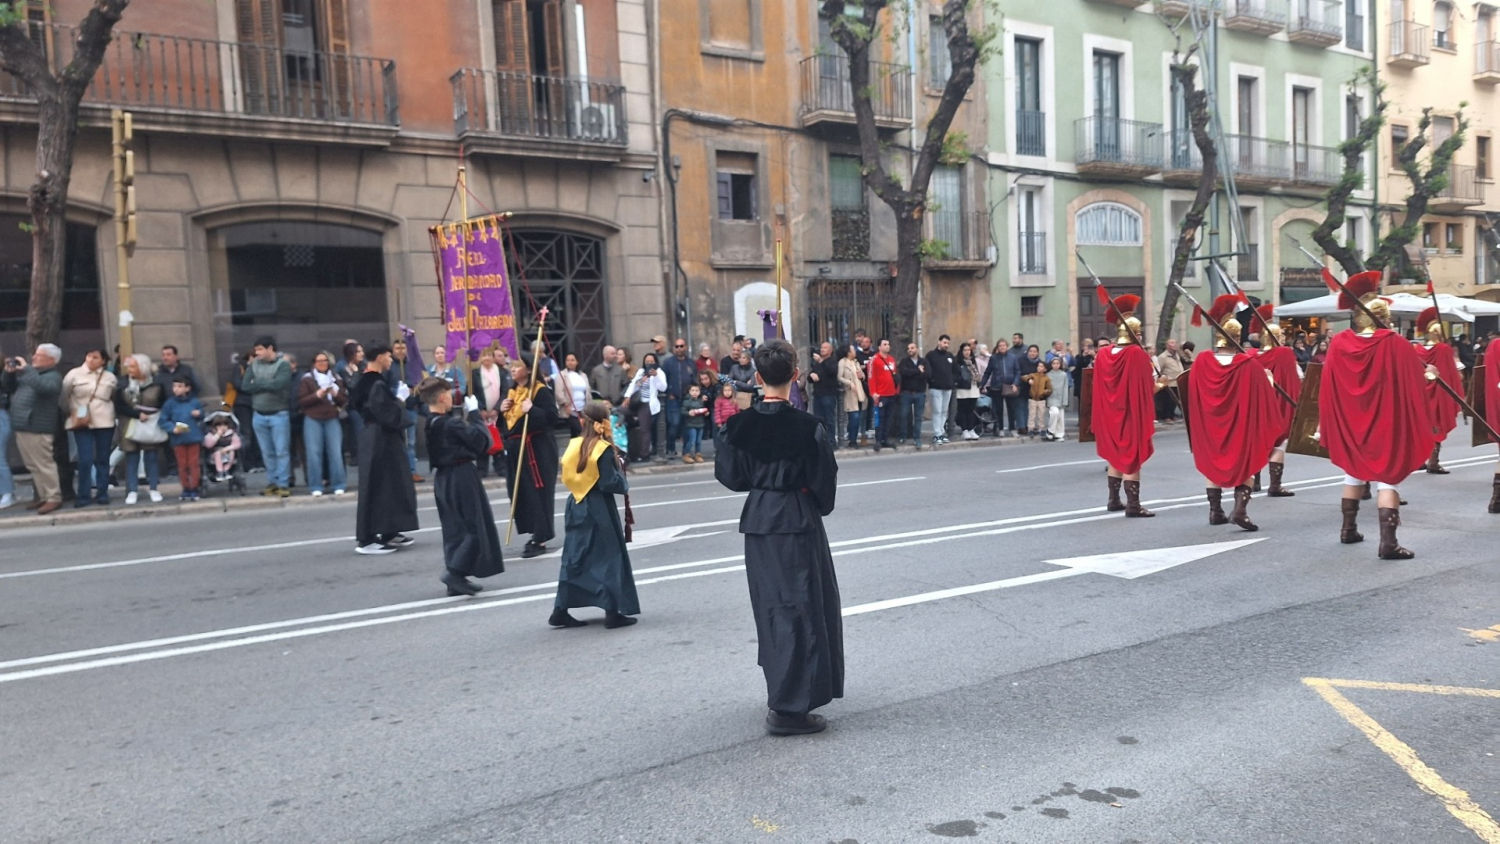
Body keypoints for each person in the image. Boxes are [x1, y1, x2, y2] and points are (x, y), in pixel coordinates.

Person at [713, 338, 841, 736]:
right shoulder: (809, 427)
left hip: (760, 521)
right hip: (797, 520)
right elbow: (825, 486)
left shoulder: (738, 425)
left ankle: (785, 693)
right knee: (801, 608)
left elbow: (731, 477)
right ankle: (789, 708)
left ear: (756, 377)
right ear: (796, 376)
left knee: (773, 608)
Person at [1320, 273, 1438, 559]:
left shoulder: (1339, 344)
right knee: (1388, 479)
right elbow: (1412, 381)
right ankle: (1388, 543)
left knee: (1352, 474)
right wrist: (1430, 375)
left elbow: (1328, 384)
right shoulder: (1395, 343)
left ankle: (1348, 530)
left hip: (1351, 421)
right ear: (1385, 316)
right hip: (1385, 421)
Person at [1185, 296, 1285, 531]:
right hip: (1239, 425)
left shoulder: (1202, 361)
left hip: (1210, 425)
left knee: (1212, 463)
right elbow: (1262, 396)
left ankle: (1215, 511)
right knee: (1247, 463)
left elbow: (1193, 392)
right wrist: (1269, 380)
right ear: (1237, 338)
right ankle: (1240, 510)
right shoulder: (1248, 365)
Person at [551, 401, 641, 629]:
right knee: (609, 556)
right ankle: (612, 611)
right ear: (603, 421)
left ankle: (560, 609)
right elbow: (610, 482)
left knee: (575, 556)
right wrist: (620, 470)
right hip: (599, 507)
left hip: (575, 503)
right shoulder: (601, 448)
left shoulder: (573, 444)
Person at [420, 376, 505, 596]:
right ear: (441, 397)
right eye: (448, 394)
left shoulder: (431, 422)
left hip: (444, 478)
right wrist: (475, 415)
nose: (451, 398)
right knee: (473, 525)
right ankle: (455, 572)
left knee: (454, 528)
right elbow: (481, 442)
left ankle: (455, 575)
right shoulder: (452, 423)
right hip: (461, 475)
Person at [1092, 295, 1157, 517]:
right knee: (1131, 457)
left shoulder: (1103, 353)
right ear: (1135, 334)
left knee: (1115, 455)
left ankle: (1113, 499)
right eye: (1139, 334)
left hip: (1109, 414)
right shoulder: (1136, 353)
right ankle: (1133, 505)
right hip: (1129, 413)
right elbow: (1145, 389)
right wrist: (1162, 384)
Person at [351, 344, 419, 555]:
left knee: (393, 483)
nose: (391, 360)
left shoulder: (370, 381)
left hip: (381, 437)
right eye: (389, 356)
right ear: (380, 357)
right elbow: (385, 413)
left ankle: (390, 529)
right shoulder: (374, 383)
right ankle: (368, 537)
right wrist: (399, 400)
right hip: (379, 438)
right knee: (378, 484)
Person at [502, 355, 560, 558]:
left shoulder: (540, 391)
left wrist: (532, 410)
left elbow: (552, 418)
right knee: (521, 492)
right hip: (517, 448)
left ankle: (541, 537)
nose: (512, 369)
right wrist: (503, 412)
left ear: (528, 369)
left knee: (539, 492)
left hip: (537, 449)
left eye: (517, 366)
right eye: (511, 366)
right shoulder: (512, 392)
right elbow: (508, 426)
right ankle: (532, 530)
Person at [1249, 305, 1301, 497]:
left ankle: (1254, 482)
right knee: (1279, 444)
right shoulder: (1284, 353)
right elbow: (1292, 383)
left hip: (1257, 408)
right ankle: (1275, 485)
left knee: (1258, 442)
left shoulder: (1250, 356)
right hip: (1278, 406)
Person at [5, 345, 64, 513]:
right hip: (23, 425)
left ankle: (54, 497)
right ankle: (43, 496)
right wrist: (9, 373)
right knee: (32, 466)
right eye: (35, 354)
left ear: (52, 360)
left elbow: (43, 388)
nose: (34, 357)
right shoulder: (30, 375)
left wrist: (27, 370)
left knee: (44, 464)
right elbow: (10, 388)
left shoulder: (53, 376)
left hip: (38, 427)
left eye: (40, 355)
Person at [61, 348, 118, 507]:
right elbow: (64, 396)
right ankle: (83, 494)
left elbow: (113, 396)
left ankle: (102, 493)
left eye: (95, 357)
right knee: (84, 459)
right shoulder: (74, 374)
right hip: (81, 420)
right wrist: (72, 413)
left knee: (103, 459)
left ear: (103, 361)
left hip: (104, 420)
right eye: (89, 356)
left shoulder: (109, 377)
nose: (91, 360)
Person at [1412, 307, 1464, 475]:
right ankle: (1433, 462)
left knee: (1422, 426)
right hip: (1439, 394)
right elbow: (1451, 375)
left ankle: (1419, 460)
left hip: (1420, 395)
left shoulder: (1416, 350)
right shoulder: (1443, 349)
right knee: (1437, 426)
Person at [241, 336, 293, 497]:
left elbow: (279, 385)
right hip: (259, 414)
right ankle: (273, 482)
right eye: (256, 350)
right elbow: (245, 386)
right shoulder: (253, 364)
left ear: (270, 348)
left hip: (278, 413)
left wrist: (257, 384)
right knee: (267, 452)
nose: (257, 353)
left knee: (281, 451)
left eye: (260, 349)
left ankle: (283, 483)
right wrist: (267, 383)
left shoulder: (283, 365)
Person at [115, 353, 167, 505]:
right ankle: (132, 490)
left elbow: (162, 403)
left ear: (142, 367)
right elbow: (119, 405)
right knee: (131, 458)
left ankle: (154, 488)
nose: (129, 369)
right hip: (129, 424)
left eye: (133, 366)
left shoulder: (157, 384)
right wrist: (137, 414)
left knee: (151, 457)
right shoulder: (123, 383)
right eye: (129, 366)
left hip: (150, 424)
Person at [297, 350, 349, 496]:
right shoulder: (307, 379)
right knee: (314, 453)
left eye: (325, 361)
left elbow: (344, 400)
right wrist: (317, 395)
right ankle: (316, 485)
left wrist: (334, 394)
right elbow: (302, 401)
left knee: (335, 452)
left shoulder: (336, 378)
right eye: (319, 361)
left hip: (332, 417)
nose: (322, 364)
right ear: (314, 363)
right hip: (313, 418)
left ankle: (338, 483)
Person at [158, 373, 206, 501]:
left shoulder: (194, 402)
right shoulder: (169, 404)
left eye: (180, 386)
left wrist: (199, 413)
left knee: (194, 464)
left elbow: (202, 415)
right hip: (178, 439)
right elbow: (163, 420)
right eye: (174, 386)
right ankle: (186, 488)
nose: (176, 389)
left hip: (193, 437)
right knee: (182, 465)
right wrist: (172, 428)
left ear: (187, 388)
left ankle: (194, 488)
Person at [473, 346, 510, 478]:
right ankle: (482, 468)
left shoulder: (501, 373)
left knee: (499, 439)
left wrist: (497, 409)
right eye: (484, 356)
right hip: (482, 414)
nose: (487, 358)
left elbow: (506, 391)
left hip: (498, 413)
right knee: (482, 439)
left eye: (489, 355)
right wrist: (481, 409)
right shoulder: (475, 373)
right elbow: (472, 393)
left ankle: (500, 466)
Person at [623, 352, 667, 462]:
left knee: (644, 428)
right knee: (621, 411)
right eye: (647, 362)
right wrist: (628, 396)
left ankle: (644, 454)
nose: (649, 364)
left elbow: (663, 388)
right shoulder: (641, 371)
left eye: (651, 362)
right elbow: (634, 384)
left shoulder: (659, 372)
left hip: (648, 403)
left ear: (656, 362)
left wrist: (655, 376)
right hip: (637, 401)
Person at [389, 337, 422, 482]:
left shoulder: (412, 365)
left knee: (410, 442)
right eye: (397, 348)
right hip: (395, 408)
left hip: (409, 408)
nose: (400, 351)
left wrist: (412, 389)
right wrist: (397, 391)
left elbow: (419, 382)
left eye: (403, 348)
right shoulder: (389, 366)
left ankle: (411, 470)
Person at [661, 337, 696, 459]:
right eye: (677, 346)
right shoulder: (668, 363)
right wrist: (668, 392)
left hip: (687, 399)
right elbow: (662, 380)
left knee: (687, 425)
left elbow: (694, 379)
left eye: (681, 346)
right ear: (673, 348)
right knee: (674, 424)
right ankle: (671, 449)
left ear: (685, 347)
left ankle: (686, 451)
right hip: (673, 399)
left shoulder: (691, 363)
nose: (679, 348)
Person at [980, 339, 1021, 436]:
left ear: (1007, 346)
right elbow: (987, 372)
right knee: (998, 409)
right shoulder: (994, 358)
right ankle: (1001, 428)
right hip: (997, 387)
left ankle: (1012, 428)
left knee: (1011, 409)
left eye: (1004, 345)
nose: (1002, 347)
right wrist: (982, 384)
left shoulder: (1013, 357)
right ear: (997, 347)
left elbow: (1017, 372)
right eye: (1000, 346)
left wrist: (1015, 383)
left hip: (1010, 386)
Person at [866, 339, 899, 451]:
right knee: (880, 418)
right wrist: (873, 392)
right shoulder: (874, 360)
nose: (887, 346)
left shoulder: (891, 359)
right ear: (879, 347)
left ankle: (885, 439)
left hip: (891, 394)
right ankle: (878, 440)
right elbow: (871, 377)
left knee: (889, 418)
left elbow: (895, 376)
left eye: (888, 344)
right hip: (880, 394)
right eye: (885, 344)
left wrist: (896, 390)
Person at [925, 335, 957, 445]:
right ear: (939, 342)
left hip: (948, 388)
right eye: (944, 342)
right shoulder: (931, 355)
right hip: (936, 388)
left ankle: (942, 432)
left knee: (944, 411)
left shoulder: (950, 356)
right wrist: (932, 381)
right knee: (937, 411)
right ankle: (937, 433)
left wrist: (953, 382)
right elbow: (928, 370)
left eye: (948, 343)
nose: (946, 345)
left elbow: (955, 371)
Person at [808, 341, 840, 441]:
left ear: (830, 350)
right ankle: (820, 440)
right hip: (818, 394)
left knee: (829, 419)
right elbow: (811, 376)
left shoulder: (832, 361)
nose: (822, 349)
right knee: (818, 419)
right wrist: (811, 376)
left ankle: (831, 441)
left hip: (828, 394)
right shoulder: (817, 363)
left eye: (825, 348)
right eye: (821, 347)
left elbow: (832, 371)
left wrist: (821, 361)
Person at [837, 344, 866, 448]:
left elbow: (862, 376)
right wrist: (849, 383)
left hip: (858, 391)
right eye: (853, 350)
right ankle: (852, 439)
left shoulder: (855, 362)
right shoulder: (842, 363)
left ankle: (854, 438)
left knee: (858, 417)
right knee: (853, 417)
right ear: (848, 352)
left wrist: (862, 376)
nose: (855, 352)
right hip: (849, 393)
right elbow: (839, 377)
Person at [1155, 339, 1185, 423]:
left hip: (1177, 381)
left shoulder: (1177, 355)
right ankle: (1166, 416)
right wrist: (1162, 379)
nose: (1174, 345)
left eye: (1175, 343)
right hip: (1169, 382)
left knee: (1174, 401)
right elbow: (1159, 369)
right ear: (1167, 346)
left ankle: (1172, 415)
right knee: (1168, 400)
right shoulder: (1163, 357)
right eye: (1172, 343)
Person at [680, 382, 709, 463]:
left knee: (698, 441)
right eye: (692, 390)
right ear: (689, 391)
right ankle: (686, 454)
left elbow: (702, 409)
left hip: (700, 424)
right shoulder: (686, 401)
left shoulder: (701, 401)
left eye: (696, 390)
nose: (694, 392)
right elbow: (682, 411)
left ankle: (698, 454)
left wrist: (705, 413)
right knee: (691, 440)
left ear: (699, 392)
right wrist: (688, 413)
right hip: (690, 424)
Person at [1022, 360, 1051, 440]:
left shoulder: (1046, 378)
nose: (1039, 367)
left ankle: (1041, 428)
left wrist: (1045, 392)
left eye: (1041, 366)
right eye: (1038, 366)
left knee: (1041, 415)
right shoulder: (1033, 375)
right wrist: (1029, 380)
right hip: (1032, 399)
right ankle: (1030, 428)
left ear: (1045, 369)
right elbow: (1024, 377)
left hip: (1041, 399)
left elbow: (1050, 389)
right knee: (1032, 415)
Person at [1044, 356, 1070, 441]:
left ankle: (1059, 434)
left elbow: (1065, 388)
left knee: (1060, 417)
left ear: (1060, 364)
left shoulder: (1064, 374)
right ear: (1051, 365)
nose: (1056, 365)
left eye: (1057, 363)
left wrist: (1065, 400)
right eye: (1054, 363)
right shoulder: (1047, 375)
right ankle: (1050, 430)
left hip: (1061, 398)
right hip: (1051, 398)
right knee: (1054, 413)